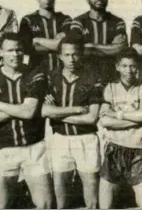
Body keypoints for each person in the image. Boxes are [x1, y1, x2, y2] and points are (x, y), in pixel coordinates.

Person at [0, 33, 53, 208]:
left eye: (19, 50)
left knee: (45, 205)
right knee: (3, 206)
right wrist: (22, 107)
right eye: (10, 50)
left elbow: (29, 112)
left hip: (34, 147)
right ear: (0, 52)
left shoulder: (36, 74)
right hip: (5, 148)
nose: (15, 54)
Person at [41, 36, 102, 209]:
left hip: (86, 139)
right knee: (61, 194)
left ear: (81, 55)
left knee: (91, 195)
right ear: (59, 56)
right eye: (67, 55)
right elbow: (44, 111)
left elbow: (92, 117)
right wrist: (75, 110)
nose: (71, 59)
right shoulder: (52, 77)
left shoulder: (93, 78)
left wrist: (57, 114)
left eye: (75, 55)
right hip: (60, 138)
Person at [98, 48, 142, 209]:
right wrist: (137, 120)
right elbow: (105, 121)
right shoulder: (110, 88)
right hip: (113, 148)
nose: (129, 70)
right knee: (105, 204)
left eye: (132, 66)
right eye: (124, 66)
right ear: (117, 67)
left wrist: (119, 114)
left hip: (138, 149)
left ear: (138, 67)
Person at [70, 0, 128, 85]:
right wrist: (110, 47)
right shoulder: (78, 21)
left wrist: (91, 46)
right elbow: (77, 50)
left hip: (112, 77)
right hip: (85, 77)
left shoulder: (117, 22)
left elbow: (121, 48)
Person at [19, 0, 72, 71]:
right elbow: (27, 48)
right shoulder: (27, 20)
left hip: (62, 72)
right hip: (37, 72)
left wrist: (37, 40)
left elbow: (66, 45)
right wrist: (56, 45)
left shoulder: (65, 19)